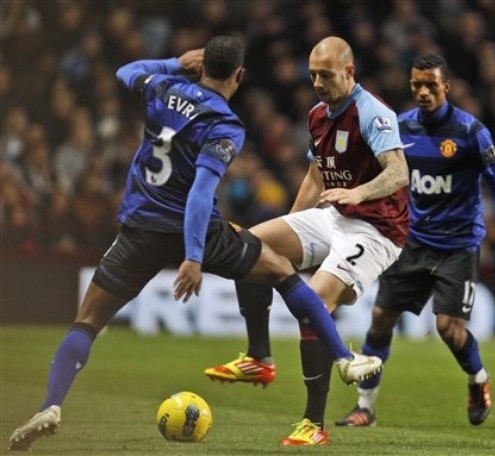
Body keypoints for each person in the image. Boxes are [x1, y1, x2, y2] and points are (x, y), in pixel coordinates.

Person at [7, 35, 382, 452]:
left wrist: (174, 62)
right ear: (238, 75)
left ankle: (51, 405)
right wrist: (193, 256)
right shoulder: (224, 124)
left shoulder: (162, 87)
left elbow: (126, 71)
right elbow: (200, 194)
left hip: (139, 230)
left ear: (200, 65)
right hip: (196, 231)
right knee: (279, 269)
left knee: (88, 320)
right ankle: (342, 357)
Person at [204, 36, 410, 446]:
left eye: (326, 75)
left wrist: (358, 193)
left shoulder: (372, 112)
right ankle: (259, 357)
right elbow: (316, 178)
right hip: (334, 216)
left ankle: (313, 425)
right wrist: (293, 223)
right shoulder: (317, 115)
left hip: (377, 229)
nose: (317, 82)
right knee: (250, 247)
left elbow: (399, 171)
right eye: (313, 74)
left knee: (313, 302)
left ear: (349, 72)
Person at [335, 53, 495, 428]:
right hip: (413, 241)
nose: (423, 92)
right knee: (380, 318)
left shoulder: (469, 131)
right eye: (416, 85)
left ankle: (478, 380)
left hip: (458, 246)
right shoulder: (400, 127)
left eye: (431, 85)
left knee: (449, 328)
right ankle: (365, 407)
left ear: (446, 86)